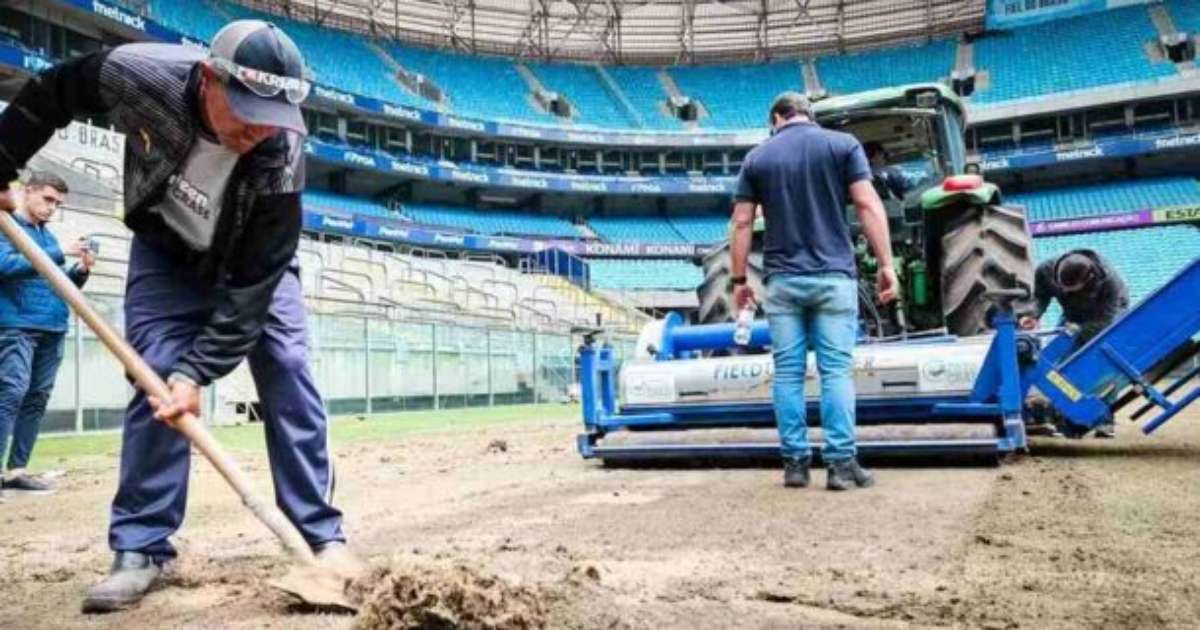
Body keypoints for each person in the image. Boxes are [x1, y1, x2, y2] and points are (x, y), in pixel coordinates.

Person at [0, 20, 357, 612]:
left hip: (250, 264)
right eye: (245, 108)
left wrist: (201, 372)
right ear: (210, 79)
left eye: (270, 115)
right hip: (166, 254)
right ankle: (140, 548)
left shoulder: (281, 149)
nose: (256, 128)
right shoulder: (139, 75)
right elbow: (53, 94)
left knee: (288, 366)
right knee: (155, 376)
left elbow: (254, 285)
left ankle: (321, 538)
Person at [730, 92, 899, 491]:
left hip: (782, 281)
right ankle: (841, 465)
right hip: (833, 278)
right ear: (809, 114)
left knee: (788, 373)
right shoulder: (843, 146)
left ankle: (795, 464)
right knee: (835, 371)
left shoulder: (758, 157)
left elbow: (740, 223)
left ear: (777, 117)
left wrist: (739, 282)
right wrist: (887, 264)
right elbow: (867, 205)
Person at [0, 172, 94, 498]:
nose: (52, 207)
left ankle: (16, 471)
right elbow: (5, 266)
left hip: (53, 326)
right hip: (16, 325)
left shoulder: (49, 238)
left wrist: (79, 271)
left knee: (36, 399)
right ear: (28, 192)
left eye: (58, 203)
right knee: (11, 393)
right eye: (48, 199)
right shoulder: (5, 225)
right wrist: (60, 253)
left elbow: (58, 283)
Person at [1023, 249, 1129, 438]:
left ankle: (1104, 420)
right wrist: (1032, 314)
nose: (1064, 292)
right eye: (1062, 288)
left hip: (1105, 318)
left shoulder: (1111, 284)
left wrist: (1075, 331)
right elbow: (1040, 297)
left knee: (1101, 367)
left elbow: (1106, 321)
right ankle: (1060, 418)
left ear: (1089, 278)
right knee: (1057, 366)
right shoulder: (1046, 271)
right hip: (1072, 316)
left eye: (1071, 289)